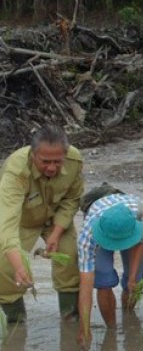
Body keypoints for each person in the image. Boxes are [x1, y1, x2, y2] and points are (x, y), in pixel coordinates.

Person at [0, 124, 83, 323]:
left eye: (57, 162)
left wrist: (56, 232)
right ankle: (15, 322)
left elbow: (72, 199)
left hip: (55, 218)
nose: (52, 168)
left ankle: (70, 318)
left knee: (70, 257)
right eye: (45, 162)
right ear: (33, 155)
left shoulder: (74, 160)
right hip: (22, 220)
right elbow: (6, 223)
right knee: (5, 268)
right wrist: (18, 264)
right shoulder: (16, 170)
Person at [76, 195, 143, 349]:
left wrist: (132, 277)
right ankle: (111, 329)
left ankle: (128, 315)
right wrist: (84, 328)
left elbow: (140, 242)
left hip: (130, 229)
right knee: (104, 282)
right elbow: (86, 287)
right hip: (102, 233)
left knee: (136, 281)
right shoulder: (87, 237)